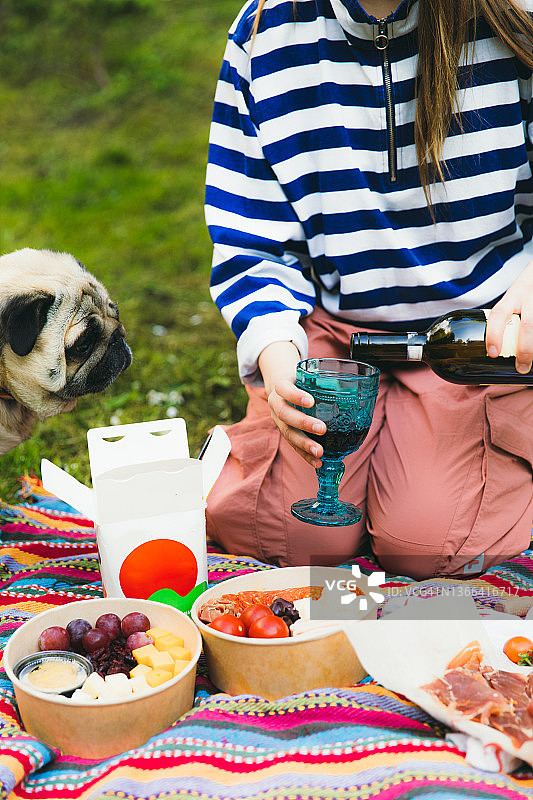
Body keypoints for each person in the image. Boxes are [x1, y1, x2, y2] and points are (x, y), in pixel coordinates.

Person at [204, 0, 533, 579]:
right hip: (337, 340)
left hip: (477, 341)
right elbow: (253, 243)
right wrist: (277, 352)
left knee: (425, 546)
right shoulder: (265, 36)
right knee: (297, 540)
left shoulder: (513, 21)